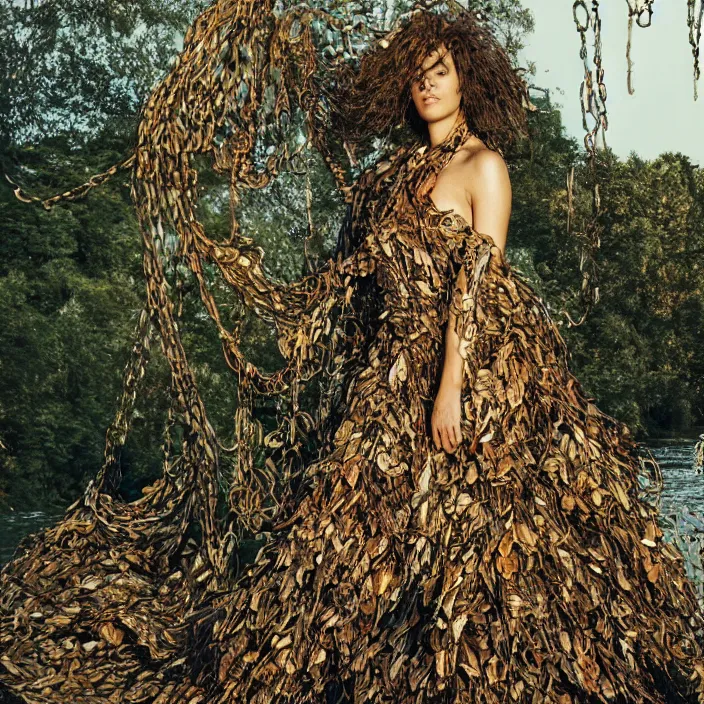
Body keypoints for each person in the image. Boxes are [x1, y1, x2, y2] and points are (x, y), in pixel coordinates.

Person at [1, 6, 704, 704]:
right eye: (417, 74)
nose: (427, 85)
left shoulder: (483, 167)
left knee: (470, 530)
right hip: (388, 372)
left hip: (470, 374)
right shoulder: (394, 171)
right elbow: (365, 276)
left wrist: (449, 386)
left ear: (468, 80)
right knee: (358, 533)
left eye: (442, 71)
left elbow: (475, 285)